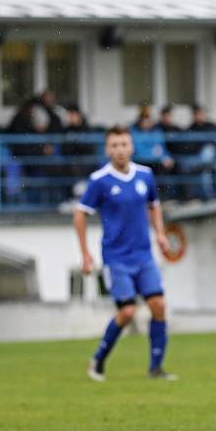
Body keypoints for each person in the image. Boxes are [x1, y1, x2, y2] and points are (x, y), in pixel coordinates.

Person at [74, 125, 176, 381]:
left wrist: (160, 234)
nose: (120, 150)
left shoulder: (145, 176)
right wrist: (85, 254)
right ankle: (98, 360)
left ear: (131, 146)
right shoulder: (100, 180)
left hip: (143, 255)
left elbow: (154, 206)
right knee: (127, 312)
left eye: (124, 144)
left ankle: (156, 368)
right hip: (116, 257)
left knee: (159, 305)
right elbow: (80, 214)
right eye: (114, 145)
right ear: (107, 149)